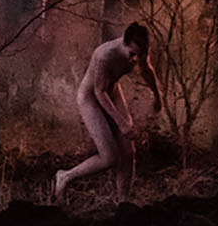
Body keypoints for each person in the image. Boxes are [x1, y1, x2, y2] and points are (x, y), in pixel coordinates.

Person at [52, 22, 164, 203]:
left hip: (112, 92)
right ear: (124, 43)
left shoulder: (140, 50)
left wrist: (158, 96)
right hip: (91, 98)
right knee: (109, 157)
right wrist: (122, 123)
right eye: (132, 54)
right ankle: (65, 176)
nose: (135, 59)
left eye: (140, 54)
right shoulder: (104, 55)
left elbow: (147, 70)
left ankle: (123, 202)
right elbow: (99, 92)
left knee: (128, 151)